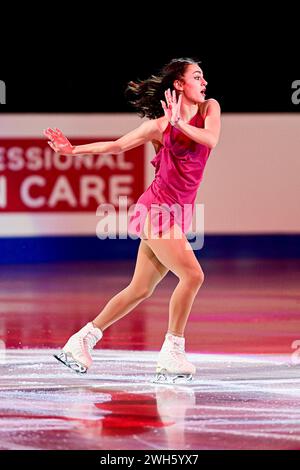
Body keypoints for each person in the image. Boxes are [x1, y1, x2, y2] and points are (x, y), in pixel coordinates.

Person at [44, 57, 221, 383]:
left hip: (178, 214)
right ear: (180, 84)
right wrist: (73, 152)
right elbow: (116, 146)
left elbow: (210, 140)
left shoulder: (210, 108)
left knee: (139, 289)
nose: (204, 82)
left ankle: (80, 341)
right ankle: (172, 351)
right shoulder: (157, 126)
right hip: (156, 210)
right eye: (197, 76)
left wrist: (179, 125)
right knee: (193, 276)